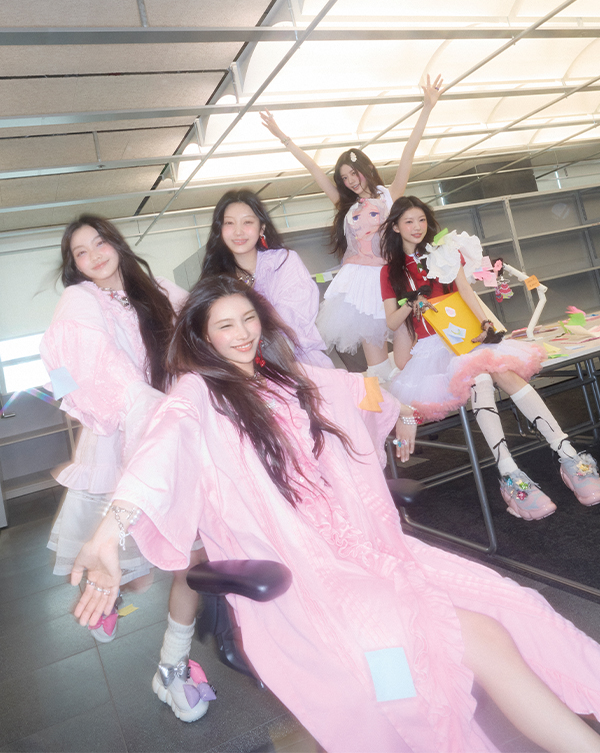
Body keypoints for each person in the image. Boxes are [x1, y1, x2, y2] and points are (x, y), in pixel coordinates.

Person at [70, 277, 600, 753]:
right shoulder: (198, 394)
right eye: (225, 325)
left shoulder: (282, 378)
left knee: (512, 609)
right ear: (203, 336)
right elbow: (160, 453)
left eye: (249, 318)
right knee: (469, 641)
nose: (243, 333)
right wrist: (107, 533)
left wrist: (400, 409)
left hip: (371, 548)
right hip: (305, 576)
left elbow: (356, 391)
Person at [40, 215, 213, 722]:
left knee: (190, 557)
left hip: (170, 428)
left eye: (100, 243)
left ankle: (173, 667)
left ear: (116, 244)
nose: (94, 255)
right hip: (122, 432)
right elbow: (81, 362)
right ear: (74, 265)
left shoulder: (154, 288)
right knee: (136, 569)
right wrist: (141, 407)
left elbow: (201, 320)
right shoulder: (80, 300)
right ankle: (112, 598)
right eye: (81, 252)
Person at [379, 195, 600, 519]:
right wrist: (411, 303)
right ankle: (510, 473)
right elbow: (391, 322)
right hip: (431, 349)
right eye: (409, 221)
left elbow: (466, 293)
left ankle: (568, 455)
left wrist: (485, 324)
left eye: (421, 220)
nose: (417, 227)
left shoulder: (444, 253)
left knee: (503, 372)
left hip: (465, 335)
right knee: (480, 377)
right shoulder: (390, 272)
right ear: (396, 227)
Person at [260, 75, 443, 381]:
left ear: (366, 169)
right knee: (377, 366)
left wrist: (427, 107)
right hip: (358, 284)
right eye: (344, 178)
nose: (350, 181)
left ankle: (419, 399)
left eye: (353, 174)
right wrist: (283, 137)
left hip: (390, 278)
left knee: (407, 356)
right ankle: (393, 408)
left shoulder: (388, 196)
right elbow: (313, 169)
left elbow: (408, 153)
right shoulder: (346, 206)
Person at [200, 188, 333, 368]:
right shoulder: (215, 280)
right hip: (243, 371)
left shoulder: (283, 262)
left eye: (247, 222)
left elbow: (293, 319)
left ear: (261, 228)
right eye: (229, 223)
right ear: (220, 229)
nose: (238, 231)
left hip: (301, 365)